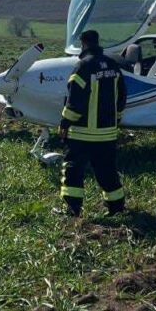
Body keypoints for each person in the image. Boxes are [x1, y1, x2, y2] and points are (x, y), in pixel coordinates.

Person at [57, 30, 127, 217]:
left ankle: (72, 210)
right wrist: (116, 119)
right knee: (107, 171)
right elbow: (122, 96)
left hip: (82, 133)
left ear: (84, 44)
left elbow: (75, 101)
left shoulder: (83, 67)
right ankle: (116, 208)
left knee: (73, 171)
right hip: (107, 134)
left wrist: (64, 122)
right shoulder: (113, 66)